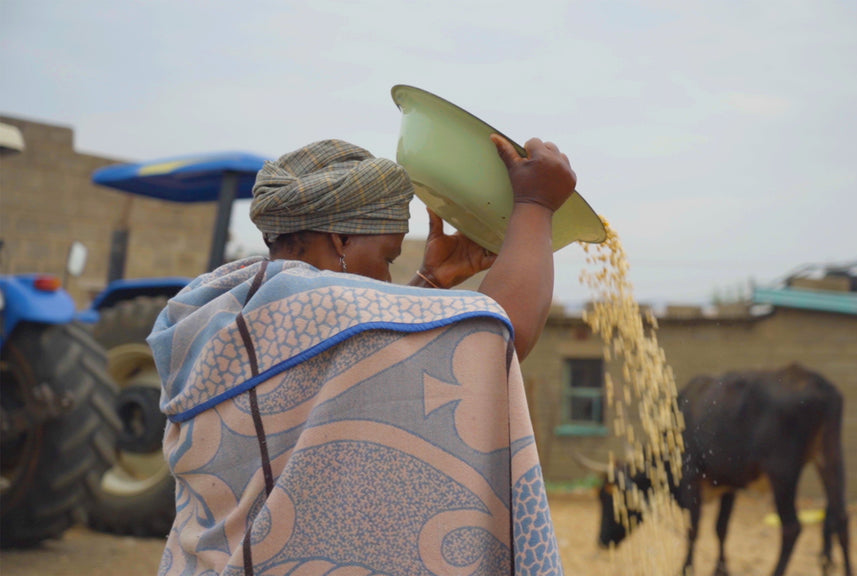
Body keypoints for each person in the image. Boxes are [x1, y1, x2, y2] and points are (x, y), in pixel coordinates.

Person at [149, 134, 576, 575]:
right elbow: (499, 335)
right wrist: (535, 204)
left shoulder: (227, 310)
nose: (387, 275)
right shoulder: (319, 305)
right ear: (341, 240)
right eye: (389, 256)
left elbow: (358, 360)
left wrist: (429, 281)